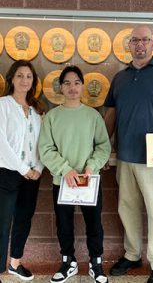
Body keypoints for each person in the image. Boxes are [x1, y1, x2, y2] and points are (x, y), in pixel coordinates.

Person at [104, 25, 153, 283]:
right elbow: (111, 115)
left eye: (145, 40)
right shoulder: (120, 78)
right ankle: (132, 254)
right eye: (135, 40)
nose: (140, 44)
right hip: (125, 156)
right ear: (129, 44)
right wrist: (104, 149)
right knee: (127, 209)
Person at [38, 65, 111, 283]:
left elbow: (103, 146)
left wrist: (91, 166)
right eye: (67, 83)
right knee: (64, 223)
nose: (72, 87)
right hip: (63, 181)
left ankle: (95, 263)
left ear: (82, 86)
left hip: (89, 181)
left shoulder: (93, 116)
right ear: (61, 87)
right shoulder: (52, 117)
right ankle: (68, 261)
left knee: (94, 223)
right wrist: (65, 169)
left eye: (77, 83)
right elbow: (46, 149)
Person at [0, 60, 44, 282]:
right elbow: (1, 144)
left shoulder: (37, 110)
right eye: (20, 75)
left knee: (23, 220)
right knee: (2, 222)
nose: (24, 80)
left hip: (32, 176)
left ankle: (15, 263)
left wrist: (38, 167)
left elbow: (43, 143)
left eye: (28, 76)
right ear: (11, 79)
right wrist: (24, 169)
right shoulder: (3, 105)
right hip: (7, 174)